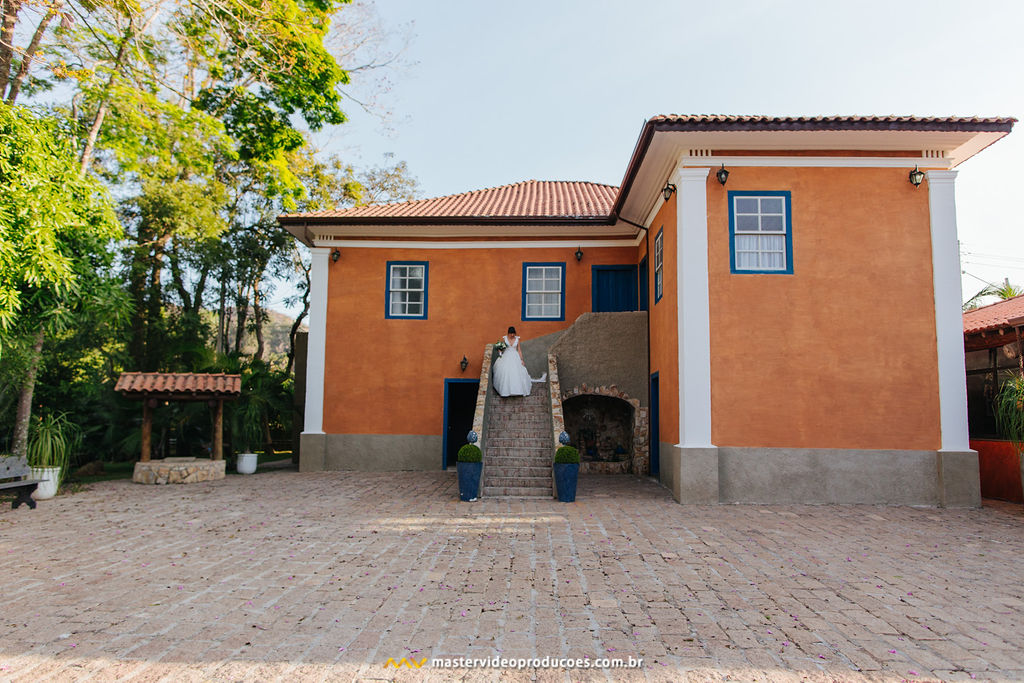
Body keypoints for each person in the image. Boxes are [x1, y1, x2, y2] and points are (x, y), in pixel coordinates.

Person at [492, 326, 533, 397]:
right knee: (506, 371)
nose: (512, 335)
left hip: (515, 356)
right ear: (508, 333)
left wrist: (521, 360)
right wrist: (500, 350)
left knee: (516, 371)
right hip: (506, 355)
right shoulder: (504, 338)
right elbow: (502, 348)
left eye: (513, 333)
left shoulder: (517, 339)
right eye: (511, 334)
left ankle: (517, 390)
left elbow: (519, 350)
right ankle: (505, 391)